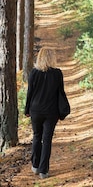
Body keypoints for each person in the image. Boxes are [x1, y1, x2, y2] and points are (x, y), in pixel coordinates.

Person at [24, 47, 68, 179]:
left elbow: (30, 93)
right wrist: (62, 111)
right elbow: (60, 93)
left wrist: (26, 110)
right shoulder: (57, 73)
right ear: (52, 58)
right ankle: (44, 170)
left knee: (37, 136)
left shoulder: (34, 73)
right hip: (51, 111)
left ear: (40, 57)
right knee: (47, 139)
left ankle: (35, 165)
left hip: (36, 110)